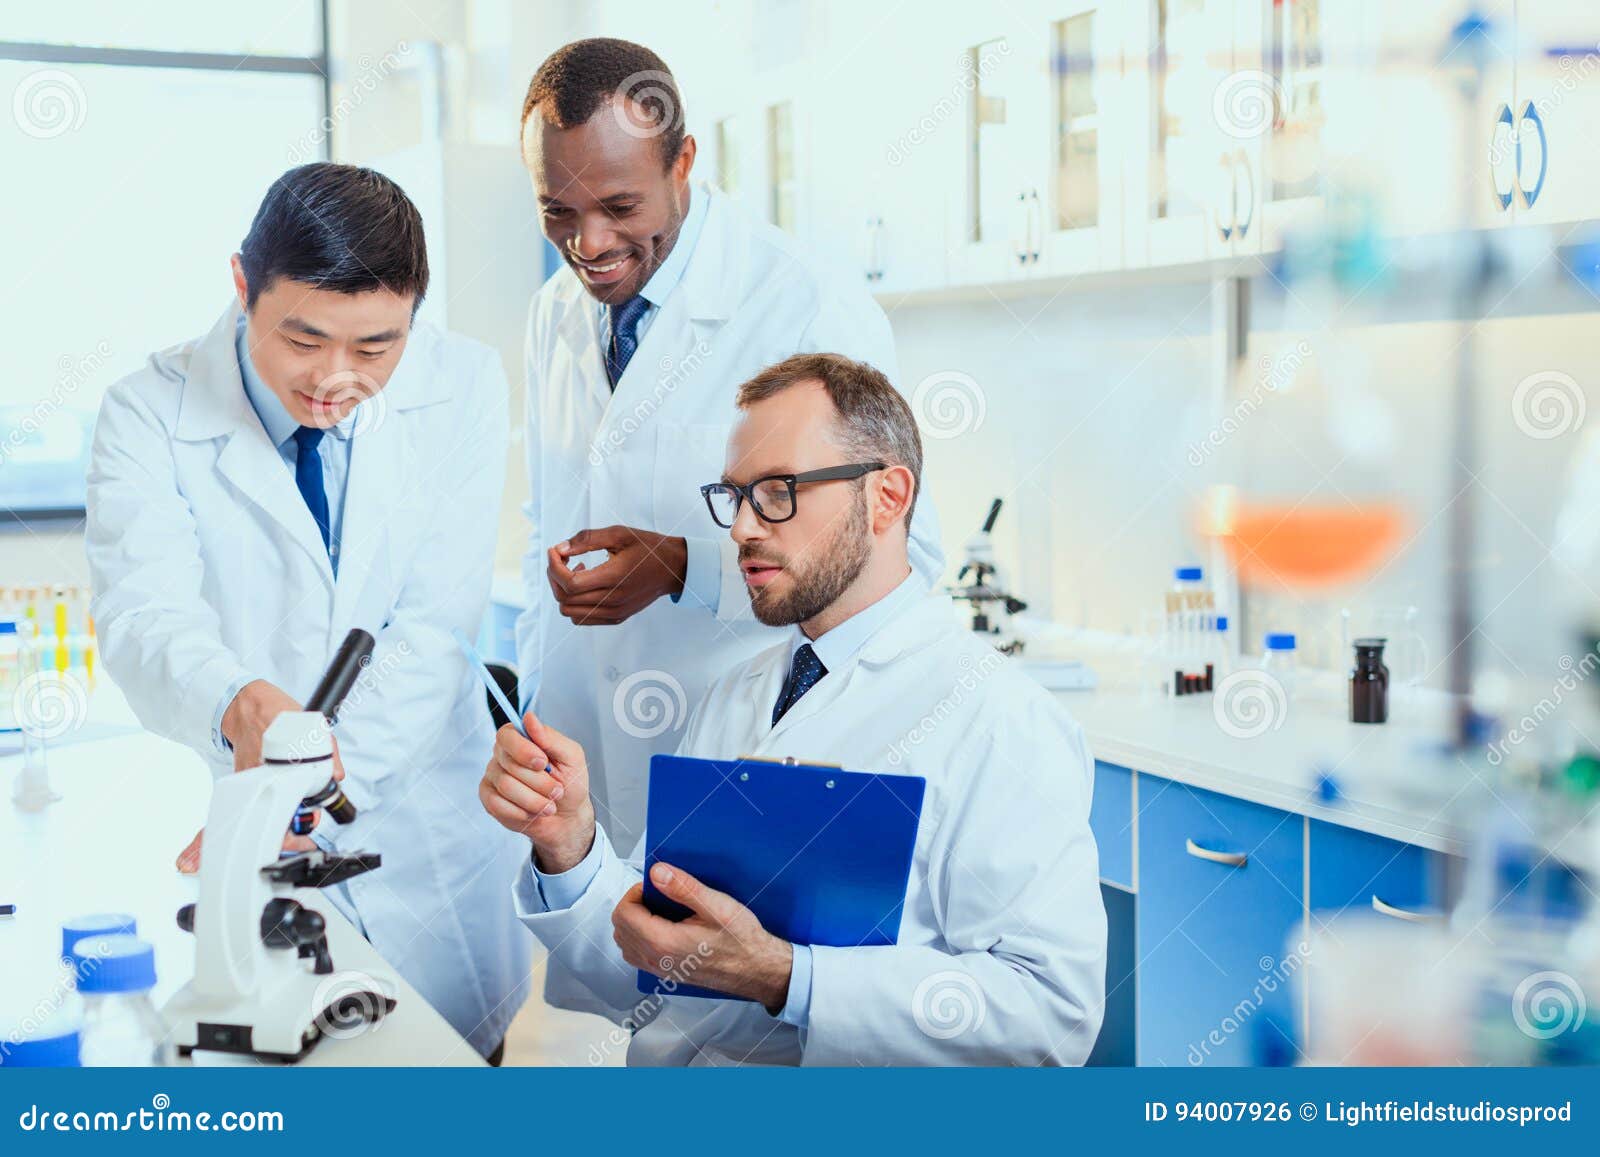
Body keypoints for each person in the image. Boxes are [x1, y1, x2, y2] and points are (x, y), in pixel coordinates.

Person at [482, 353, 1106, 1065]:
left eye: (778, 491)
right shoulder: (739, 691)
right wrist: (568, 844)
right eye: (735, 494)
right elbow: (656, 960)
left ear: (888, 496)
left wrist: (789, 977)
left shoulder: (996, 717)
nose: (744, 527)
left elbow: (1049, 1018)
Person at [86, 163, 531, 1061]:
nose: (336, 378)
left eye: (376, 348)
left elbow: (432, 630)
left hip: (425, 852)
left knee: (439, 1074)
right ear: (243, 286)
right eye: (303, 337)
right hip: (249, 837)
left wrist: (308, 792)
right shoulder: (148, 413)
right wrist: (237, 700)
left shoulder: (464, 385)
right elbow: (145, 613)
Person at [515, 38, 945, 854]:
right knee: (610, 959)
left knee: (735, 973)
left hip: (746, 758)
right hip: (581, 771)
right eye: (557, 212)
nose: (590, 244)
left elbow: (910, 556)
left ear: (682, 163)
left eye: (620, 206)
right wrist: (534, 700)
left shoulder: (806, 303)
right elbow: (550, 516)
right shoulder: (552, 315)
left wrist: (685, 566)